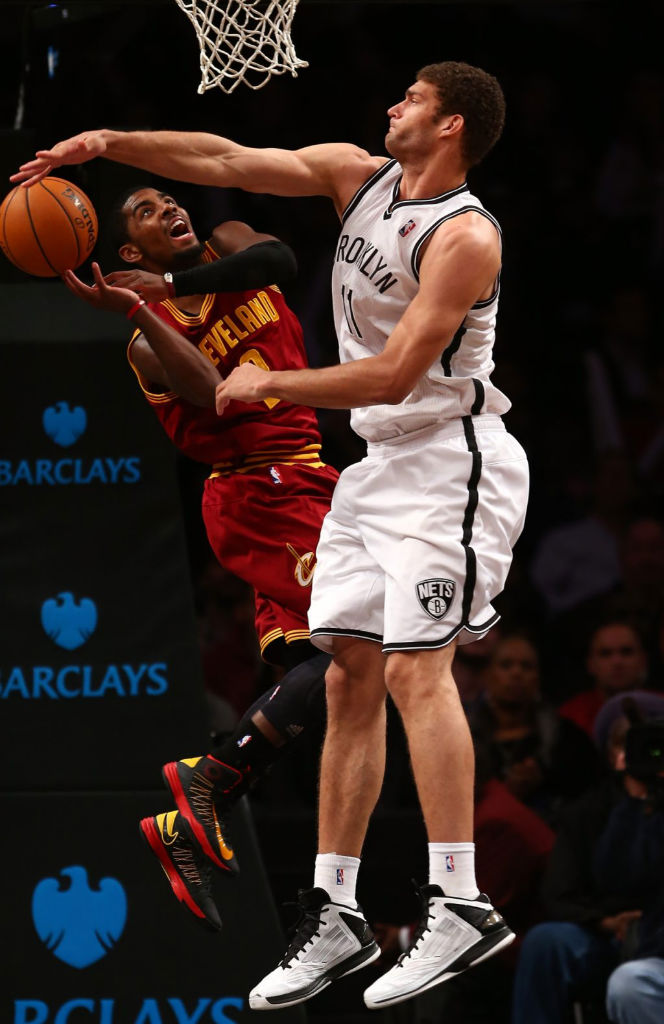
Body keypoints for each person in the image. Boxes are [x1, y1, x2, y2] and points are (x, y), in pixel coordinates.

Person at [15, 59, 530, 1010]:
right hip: (368, 471)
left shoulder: (465, 238)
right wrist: (104, 144)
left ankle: (459, 901)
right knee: (345, 670)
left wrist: (272, 383)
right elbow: (222, 154)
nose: (390, 107)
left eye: (410, 99)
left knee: (419, 668)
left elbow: (393, 376)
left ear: (452, 125)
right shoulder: (353, 174)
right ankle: (336, 912)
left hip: (448, 453)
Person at [60, 184, 338, 932]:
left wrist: (175, 283)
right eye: (146, 211)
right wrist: (144, 306)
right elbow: (212, 391)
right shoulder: (145, 342)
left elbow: (279, 258)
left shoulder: (228, 244)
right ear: (129, 254)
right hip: (261, 491)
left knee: (329, 672)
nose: (168, 208)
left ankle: (205, 796)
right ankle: (209, 784)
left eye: (166, 198)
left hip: (310, 478)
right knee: (367, 649)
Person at [510, 694, 664, 1024]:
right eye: (626, 742)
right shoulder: (588, 811)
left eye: (653, 743)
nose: (641, 754)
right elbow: (561, 892)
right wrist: (605, 921)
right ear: (608, 751)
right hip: (605, 932)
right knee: (546, 941)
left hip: (656, 939)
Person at [467, 631, 600, 824]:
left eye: (526, 666)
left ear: (537, 678)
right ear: (487, 675)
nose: (516, 673)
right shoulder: (464, 739)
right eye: (506, 665)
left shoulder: (568, 738)